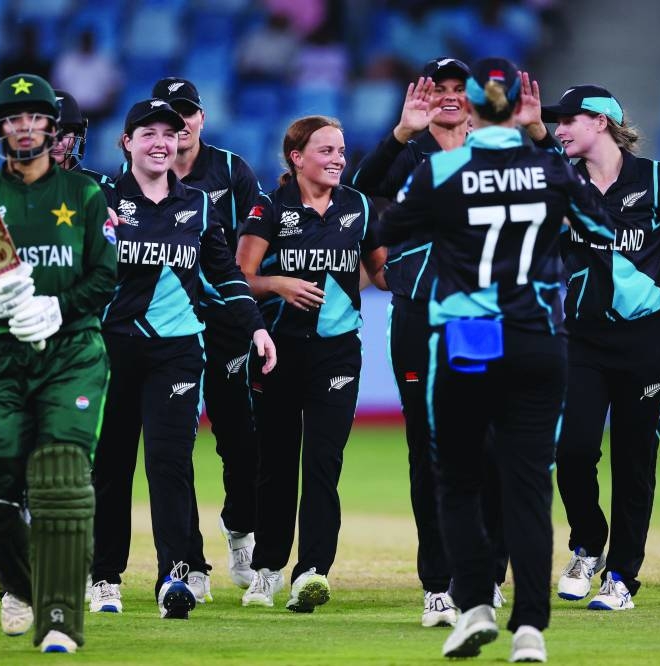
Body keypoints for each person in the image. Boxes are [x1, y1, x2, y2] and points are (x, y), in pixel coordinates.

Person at [378, 59, 614, 661]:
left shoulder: (441, 169)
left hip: (469, 337)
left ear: (475, 109)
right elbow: (602, 225)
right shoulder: (550, 169)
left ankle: (477, 605)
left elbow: (391, 223)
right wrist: (542, 143)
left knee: (456, 480)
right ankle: (530, 628)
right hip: (537, 336)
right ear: (522, 104)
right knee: (529, 485)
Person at [88, 98, 276, 620]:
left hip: (177, 352)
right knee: (112, 466)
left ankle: (174, 576)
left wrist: (256, 328)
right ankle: (105, 578)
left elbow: (225, 273)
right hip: (111, 349)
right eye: (147, 133)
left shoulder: (196, 204)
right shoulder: (99, 197)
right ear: (126, 143)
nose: (159, 142)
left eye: (169, 134)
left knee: (169, 464)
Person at [0, 73, 117, 654]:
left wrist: (58, 305)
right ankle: (17, 585)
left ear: (53, 127)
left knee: (60, 477)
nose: (25, 127)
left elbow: (105, 276)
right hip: (0, 356)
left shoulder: (85, 196)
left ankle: (61, 618)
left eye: (35, 118)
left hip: (71, 351)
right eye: (13, 120)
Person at [540, 84, 660, 612]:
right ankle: (588, 544)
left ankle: (621, 576)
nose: (559, 129)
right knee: (571, 450)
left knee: (635, 460)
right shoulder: (559, 181)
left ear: (601, 122)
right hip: (580, 339)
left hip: (645, 339)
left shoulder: (657, 180)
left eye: (569, 120)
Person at [351, 56, 508, 627]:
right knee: (428, 449)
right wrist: (400, 132)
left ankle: (489, 572)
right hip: (418, 311)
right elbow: (359, 192)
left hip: (482, 315)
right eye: (435, 89)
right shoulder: (408, 152)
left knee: (489, 444)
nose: (446, 97)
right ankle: (438, 585)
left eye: (455, 89)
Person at [236, 115, 387, 612]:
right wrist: (279, 284)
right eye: (326, 150)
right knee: (275, 464)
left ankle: (312, 572)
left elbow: (380, 273)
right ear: (297, 158)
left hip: (338, 351)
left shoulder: (358, 206)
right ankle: (267, 569)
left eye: (341, 150)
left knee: (324, 463)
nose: (338, 158)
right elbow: (241, 276)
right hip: (276, 349)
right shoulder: (270, 207)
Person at [149, 76, 266, 599]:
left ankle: (239, 528)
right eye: (169, 117)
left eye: (188, 113)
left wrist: (250, 307)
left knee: (239, 438)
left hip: (223, 323)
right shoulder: (136, 179)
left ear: (200, 119)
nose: (181, 125)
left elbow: (255, 237)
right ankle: (188, 563)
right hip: (165, 328)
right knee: (171, 448)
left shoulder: (230, 170)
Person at [51, 89, 112, 187]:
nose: (57, 141)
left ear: (77, 135)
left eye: (65, 132)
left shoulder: (101, 185)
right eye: (48, 132)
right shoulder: (20, 186)